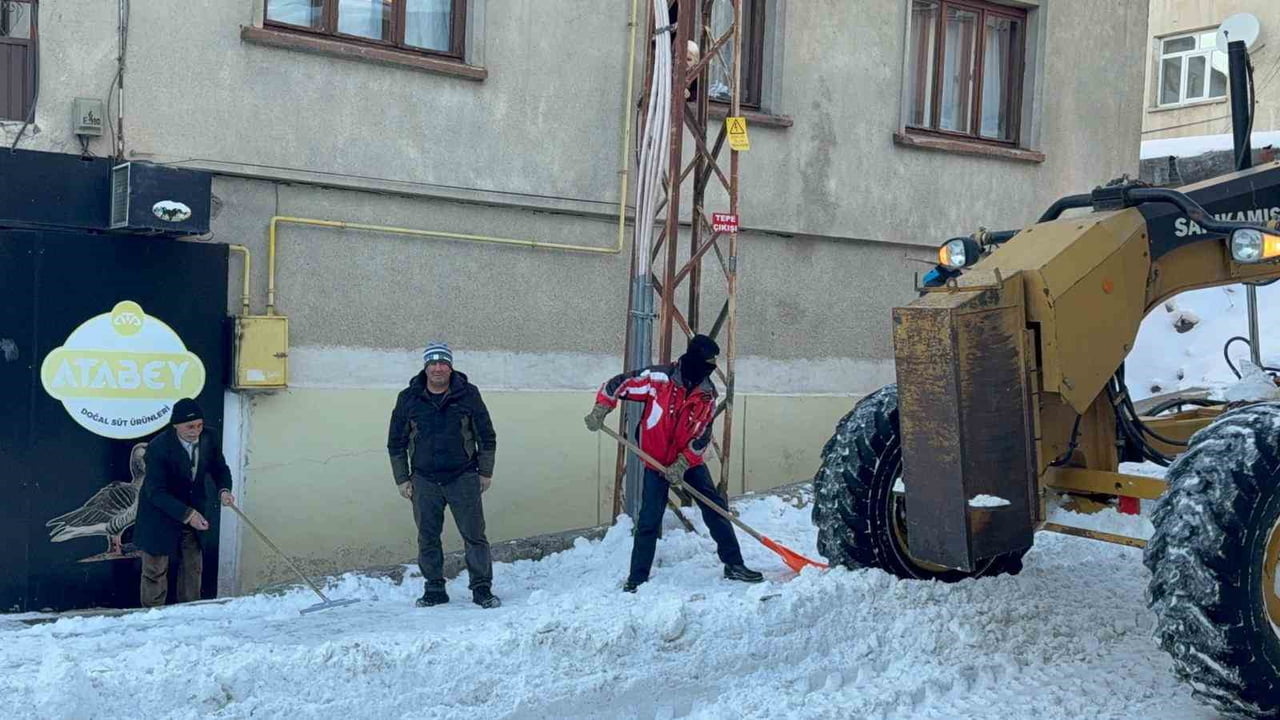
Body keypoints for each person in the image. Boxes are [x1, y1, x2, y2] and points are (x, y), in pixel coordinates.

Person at [584, 334, 764, 592]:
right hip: (655, 461)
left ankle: (734, 564)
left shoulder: (707, 395)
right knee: (649, 519)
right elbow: (618, 384)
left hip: (687, 462)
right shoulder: (659, 379)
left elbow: (702, 436)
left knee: (715, 508)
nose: (708, 371)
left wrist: (682, 463)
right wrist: (601, 408)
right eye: (705, 364)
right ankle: (637, 578)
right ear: (692, 359)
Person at [388, 341, 500, 609]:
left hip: (463, 477)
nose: (438, 368)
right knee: (427, 537)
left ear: (450, 366)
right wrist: (402, 478)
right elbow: (395, 442)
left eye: (443, 362)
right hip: (424, 481)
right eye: (433, 363)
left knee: (474, 535)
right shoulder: (408, 398)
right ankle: (435, 588)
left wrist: (485, 471)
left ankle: (481, 588)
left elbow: (486, 436)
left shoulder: (469, 394)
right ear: (425, 367)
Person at [134, 398, 234, 607]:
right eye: (189, 426)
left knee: (192, 566)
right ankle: (153, 615)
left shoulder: (210, 437)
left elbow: (219, 468)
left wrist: (224, 490)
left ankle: (190, 611)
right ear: (176, 425)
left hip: (193, 507)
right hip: (160, 513)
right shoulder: (158, 448)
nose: (195, 431)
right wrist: (188, 514)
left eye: (199, 425)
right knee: (155, 569)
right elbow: (156, 491)